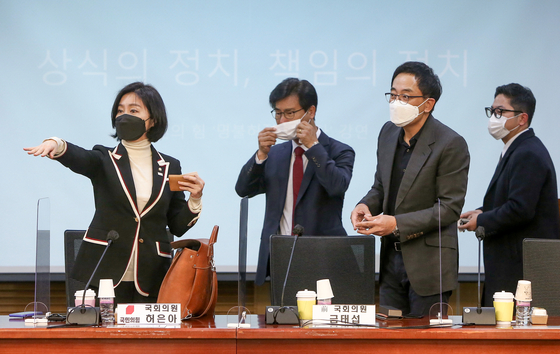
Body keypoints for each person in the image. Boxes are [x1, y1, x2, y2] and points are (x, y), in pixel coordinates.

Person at [24, 82, 205, 304]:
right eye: (120, 110)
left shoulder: (170, 166)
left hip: (152, 271)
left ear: (153, 120)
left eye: (134, 110)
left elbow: (177, 226)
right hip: (105, 269)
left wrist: (195, 200)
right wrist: (58, 144)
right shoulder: (104, 158)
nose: (124, 116)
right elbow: (80, 158)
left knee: (148, 339)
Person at [350, 62, 470, 316]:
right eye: (393, 95)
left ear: (428, 104)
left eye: (405, 96)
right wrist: (365, 205)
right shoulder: (388, 132)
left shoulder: (450, 143)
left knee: (425, 349)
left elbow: (448, 209)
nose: (396, 102)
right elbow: (381, 186)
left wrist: (396, 224)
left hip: (429, 266)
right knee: (388, 345)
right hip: (390, 261)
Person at [235, 78, 355, 286]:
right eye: (278, 113)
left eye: (290, 113)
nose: (282, 121)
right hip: (281, 258)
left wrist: (313, 146)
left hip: (325, 258)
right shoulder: (275, 154)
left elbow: (337, 186)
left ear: (311, 112)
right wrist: (261, 154)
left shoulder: (339, 150)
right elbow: (243, 189)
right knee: (282, 318)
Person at [459, 83, 560, 307]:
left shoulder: (528, 153)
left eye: (500, 112)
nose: (494, 118)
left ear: (522, 118)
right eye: (492, 111)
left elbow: (521, 209)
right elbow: (512, 199)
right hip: (511, 267)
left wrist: (482, 221)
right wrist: (482, 212)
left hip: (522, 271)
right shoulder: (517, 149)